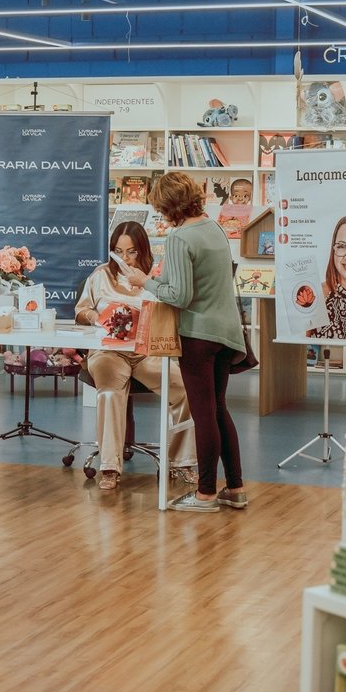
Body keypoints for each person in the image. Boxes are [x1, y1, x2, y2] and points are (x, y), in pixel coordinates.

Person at [118, 171, 247, 513]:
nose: (161, 215)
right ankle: (235, 488)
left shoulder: (180, 238)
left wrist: (144, 281)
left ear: (169, 206)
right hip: (226, 332)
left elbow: (179, 295)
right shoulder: (214, 227)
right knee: (218, 410)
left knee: (203, 415)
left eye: (161, 209)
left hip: (198, 336)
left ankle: (205, 493)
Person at [74, 221, 197, 491]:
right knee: (109, 392)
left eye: (131, 252)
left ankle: (182, 461)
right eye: (118, 251)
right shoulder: (101, 275)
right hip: (108, 352)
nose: (125, 258)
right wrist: (97, 317)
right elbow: (80, 310)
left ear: (143, 249)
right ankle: (109, 466)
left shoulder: (157, 276)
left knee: (185, 389)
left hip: (147, 352)